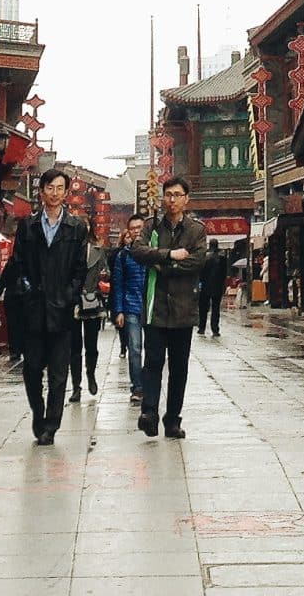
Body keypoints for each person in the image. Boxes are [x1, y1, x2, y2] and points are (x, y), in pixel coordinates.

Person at [0, 168, 89, 444]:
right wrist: (25, 291)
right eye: (50, 187)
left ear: (66, 192)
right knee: (32, 368)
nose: (54, 193)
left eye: (60, 188)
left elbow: (79, 269)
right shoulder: (28, 226)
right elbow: (19, 263)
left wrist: (70, 294)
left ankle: (52, 424)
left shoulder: (76, 227)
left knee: (59, 372)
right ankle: (38, 412)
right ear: (42, 190)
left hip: (61, 309)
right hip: (34, 308)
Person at [137, 177, 208, 439]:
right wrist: (169, 255)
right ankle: (149, 413)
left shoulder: (196, 230)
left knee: (179, 367)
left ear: (186, 199)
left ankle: (173, 419)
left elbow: (198, 262)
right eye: (168, 194)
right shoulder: (151, 226)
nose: (172, 200)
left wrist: (165, 266)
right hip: (156, 307)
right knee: (152, 362)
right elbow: (139, 251)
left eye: (178, 195)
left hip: (183, 308)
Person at [109, 214, 150, 401]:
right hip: (131, 306)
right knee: (134, 348)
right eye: (133, 228)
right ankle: (138, 388)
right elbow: (117, 284)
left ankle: (151, 384)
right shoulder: (123, 256)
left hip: (150, 306)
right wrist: (118, 311)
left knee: (152, 349)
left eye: (139, 227)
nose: (136, 231)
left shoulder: (152, 252)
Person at [71, 262, 106, 402]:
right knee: (74, 346)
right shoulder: (69, 246)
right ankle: (76, 386)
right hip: (73, 300)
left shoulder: (97, 249)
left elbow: (106, 271)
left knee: (91, 345)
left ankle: (90, 374)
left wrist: (105, 275)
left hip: (91, 301)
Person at [196, 241, 227, 337]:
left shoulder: (205, 258)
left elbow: (200, 273)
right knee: (216, 309)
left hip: (205, 286)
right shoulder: (222, 258)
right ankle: (215, 329)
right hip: (217, 287)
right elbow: (224, 274)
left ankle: (201, 328)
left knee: (203, 308)